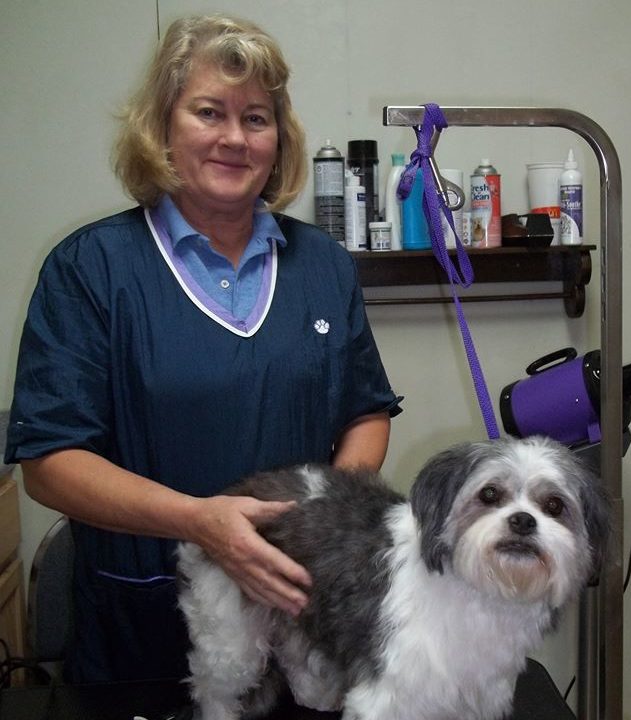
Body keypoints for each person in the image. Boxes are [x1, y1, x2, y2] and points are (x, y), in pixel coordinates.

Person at [4, 15, 401, 684]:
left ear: (280, 140)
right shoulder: (92, 269)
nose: (233, 138)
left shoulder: (323, 267)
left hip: (299, 615)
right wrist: (199, 523)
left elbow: (366, 411)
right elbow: (48, 461)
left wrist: (324, 520)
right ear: (163, 127)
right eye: (209, 112)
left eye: (256, 119)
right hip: (145, 629)